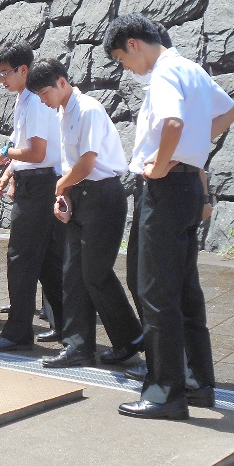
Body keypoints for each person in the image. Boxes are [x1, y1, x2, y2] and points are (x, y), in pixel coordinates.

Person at [104, 13, 234, 419]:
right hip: (188, 187)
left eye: (122, 59)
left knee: (156, 291)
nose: (126, 69)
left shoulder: (163, 73)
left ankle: (165, 391)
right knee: (184, 290)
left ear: (133, 43)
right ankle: (197, 381)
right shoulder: (191, 69)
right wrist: (192, 147)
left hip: (165, 188)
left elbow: (173, 122)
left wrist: (162, 163)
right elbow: (229, 112)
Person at [26, 59, 143, 370]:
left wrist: (59, 188)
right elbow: (72, 165)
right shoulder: (65, 111)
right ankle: (78, 347)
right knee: (74, 275)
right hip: (82, 196)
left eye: (44, 93)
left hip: (102, 196)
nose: (43, 100)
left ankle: (130, 336)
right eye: (38, 95)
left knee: (95, 272)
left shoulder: (87, 109)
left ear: (62, 82)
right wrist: (64, 194)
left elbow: (88, 162)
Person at [0, 42, 65, 351]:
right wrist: (9, 172)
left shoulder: (34, 101)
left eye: (5, 72)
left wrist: (5, 153)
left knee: (20, 258)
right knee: (46, 260)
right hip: (35, 180)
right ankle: (66, 327)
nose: (1, 79)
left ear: (24, 70)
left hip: (40, 185)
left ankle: (17, 331)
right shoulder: (24, 99)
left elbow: (38, 151)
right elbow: (27, 148)